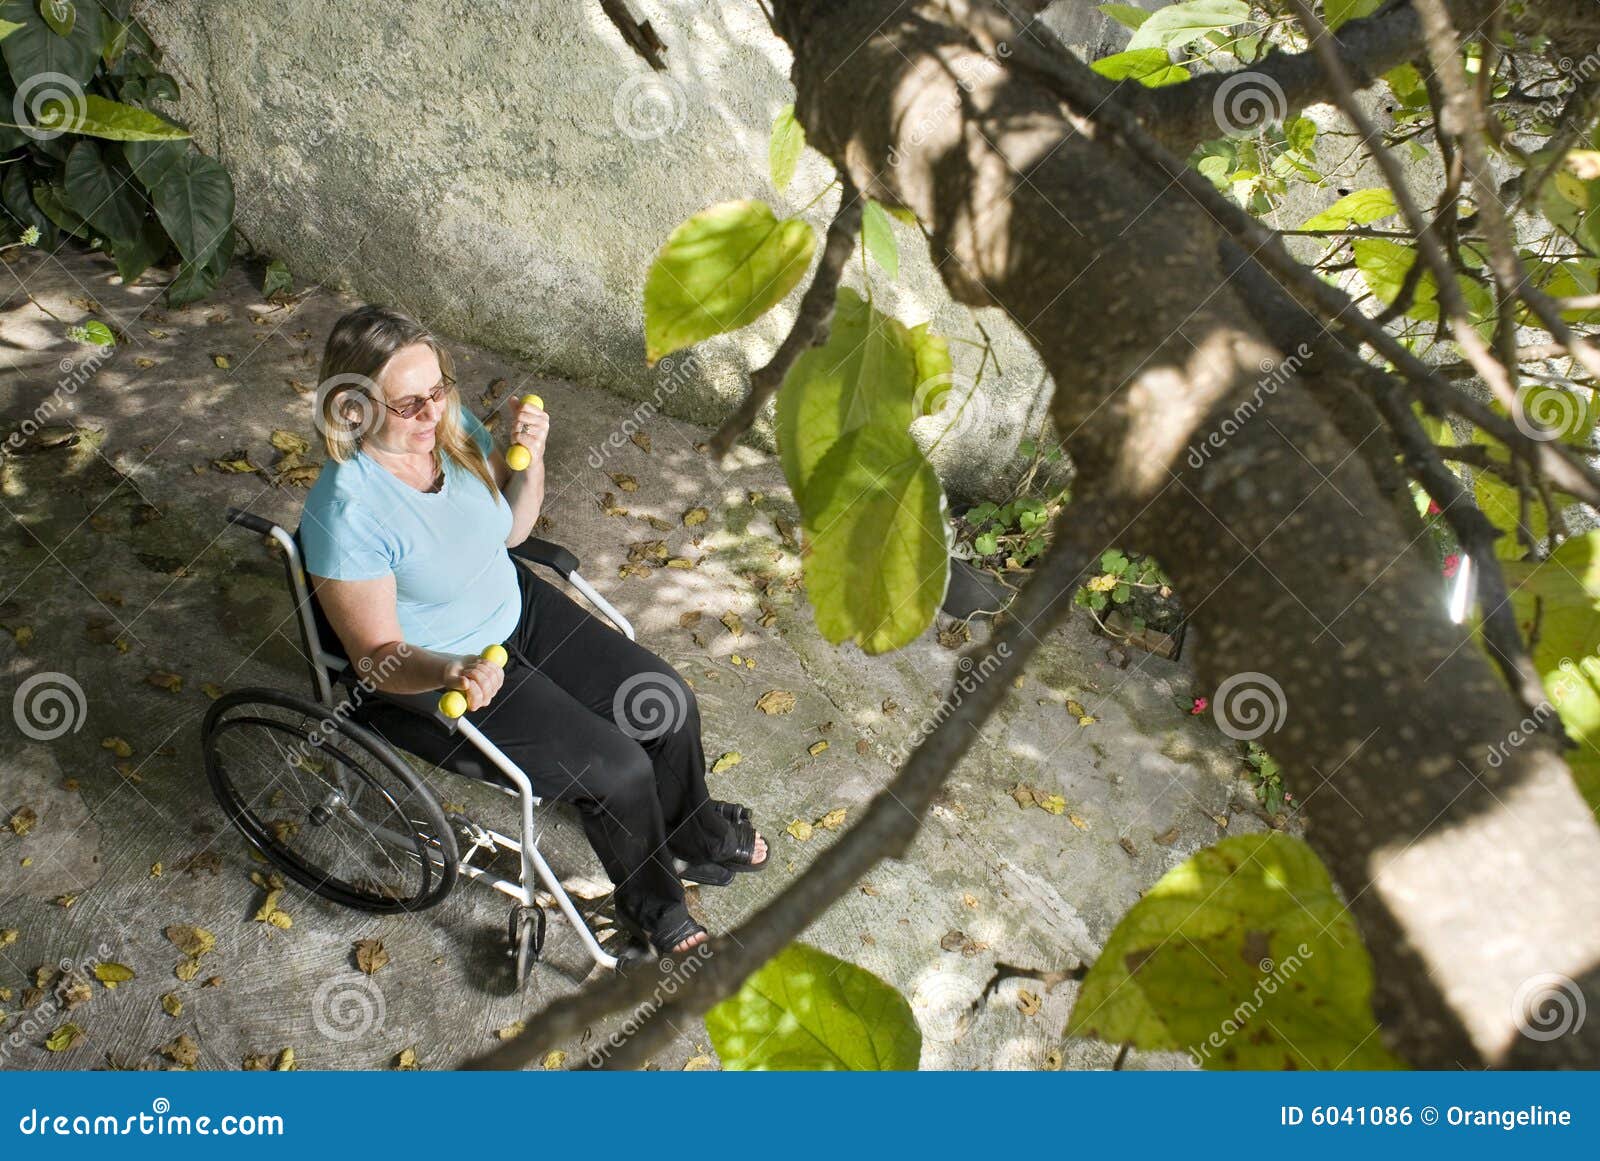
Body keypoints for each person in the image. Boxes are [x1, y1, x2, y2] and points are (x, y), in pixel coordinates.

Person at [298, 304, 767, 955]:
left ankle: (692, 829)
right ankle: (652, 902)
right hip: (444, 674)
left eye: (438, 390)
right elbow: (375, 656)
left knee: (665, 701)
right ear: (352, 408)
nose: (433, 413)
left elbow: (510, 530)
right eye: (410, 404)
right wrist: (447, 670)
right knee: (621, 767)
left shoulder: (451, 430)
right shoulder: (346, 512)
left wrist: (533, 459)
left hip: (516, 607)